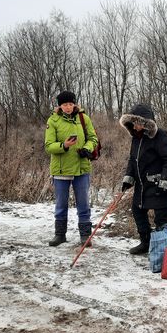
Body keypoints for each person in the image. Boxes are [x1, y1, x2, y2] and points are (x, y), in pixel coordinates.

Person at [119, 104, 167, 254]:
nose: (137, 126)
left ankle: (164, 250)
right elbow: (133, 160)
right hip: (143, 186)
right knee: (137, 210)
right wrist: (128, 178)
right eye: (134, 122)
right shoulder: (135, 138)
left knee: (161, 219)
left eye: (140, 122)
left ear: (147, 123)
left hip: (160, 186)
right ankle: (146, 242)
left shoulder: (161, 135)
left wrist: (166, 181)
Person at [44, 91, 98, 247]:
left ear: (74, 104)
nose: (67, 107)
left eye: (70, 104)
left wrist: (87, 148)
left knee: (83, 203)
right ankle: (59, 235)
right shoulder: (53, 120)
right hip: (61, 170)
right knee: (61, 204)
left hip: (82, 168)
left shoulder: (83, 118)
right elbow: (48, 146)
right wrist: (64, 146)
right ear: (59, 106)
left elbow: (93, 139)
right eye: (64, 104)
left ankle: (85, 236)